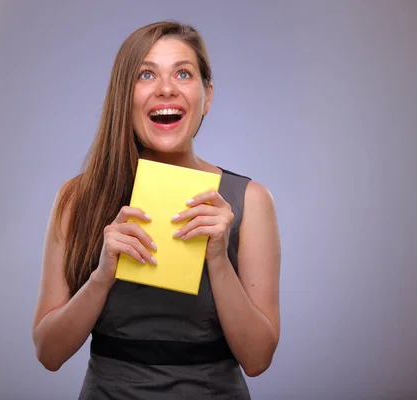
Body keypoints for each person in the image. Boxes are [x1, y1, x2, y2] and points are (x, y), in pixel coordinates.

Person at [32, 20, 281, 399]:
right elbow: (49, 354)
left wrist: (217, 259)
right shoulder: (77, 199)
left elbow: (258, 358)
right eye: (146, 74)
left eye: (183, 73)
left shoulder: (250, 200)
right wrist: (102, 276)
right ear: (123, 95)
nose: (166, 88)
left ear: (207, 96)